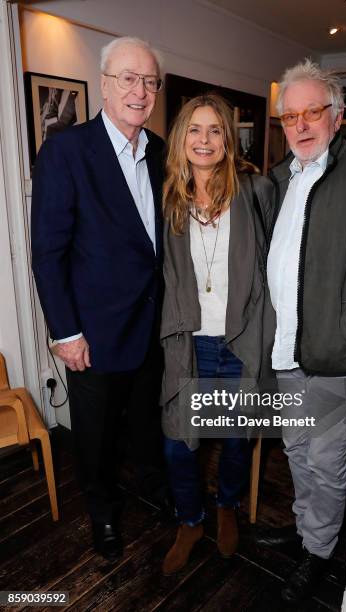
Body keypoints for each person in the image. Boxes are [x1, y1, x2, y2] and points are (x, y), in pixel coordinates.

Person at [255, 59, 346, 605]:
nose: (301, 124)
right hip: (288, 352)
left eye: (313, 110)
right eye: (290, 115)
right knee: (295, 451)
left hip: (335, 357)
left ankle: (318, 554)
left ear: (336, 116)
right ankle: (303, 533)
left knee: (326, 461)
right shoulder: (281, 179)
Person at [31, 37, 168, 562]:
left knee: (145, 421)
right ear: (105, 84)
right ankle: (104, 513)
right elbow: (49, 252)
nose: (140, 90)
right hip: (92, 332)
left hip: (152, 324)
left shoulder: (158, 151)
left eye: (149, 80)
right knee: (95, 435)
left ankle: (154, 487)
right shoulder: (67, 151)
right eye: (128, 78)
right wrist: (65, 332)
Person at [160, 93, 275, 575]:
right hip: (188, 341)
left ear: (228, 141)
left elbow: (276, 263)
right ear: (181, 138)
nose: (204, 140)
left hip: (239, 340)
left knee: (235, 438)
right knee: (177, 442)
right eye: (194, 130)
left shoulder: (256, 191)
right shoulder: (167, 198)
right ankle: (190, 520)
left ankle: (226, 504)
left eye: (214, 131)